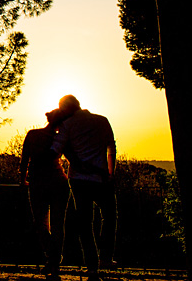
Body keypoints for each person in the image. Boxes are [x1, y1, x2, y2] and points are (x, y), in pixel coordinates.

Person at [52, 94, 117, 281]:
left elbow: (56, 149)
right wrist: (111, 173)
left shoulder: (67, 125)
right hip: (102, 178)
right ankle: (106, 256)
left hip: (79, 180)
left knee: (85, 223)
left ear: (66, 109)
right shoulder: (102, 120)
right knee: (110, 216)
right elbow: (111, 148)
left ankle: (92, 265)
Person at [20, 108, 71, 281]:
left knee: (40, 223)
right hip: (58, 182)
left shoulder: (33, 134)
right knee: (58, 224)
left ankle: (52, 257)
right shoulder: (61, 138)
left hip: (37, 183)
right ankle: (55, 260)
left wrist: (22, 178)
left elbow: (24, 158)